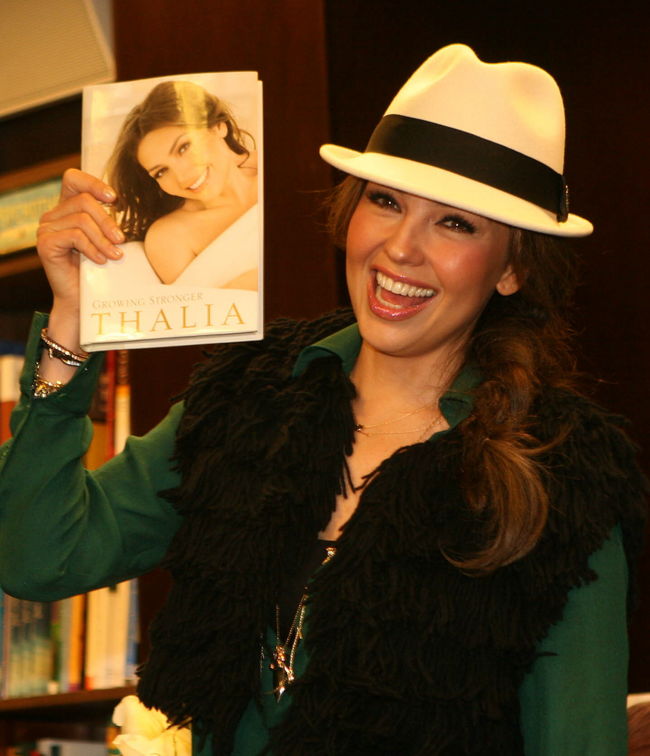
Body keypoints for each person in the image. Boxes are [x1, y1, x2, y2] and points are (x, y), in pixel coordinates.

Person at [0, 43, 646, 755]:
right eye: (386, 202)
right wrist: (70, 327)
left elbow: (577, 740)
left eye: (455, 223)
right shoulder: (249, 398)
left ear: (513, 268)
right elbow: (39, 556)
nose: (401, 248)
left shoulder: (563, 472)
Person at [107, 79, 258, 287]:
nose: (182, 177)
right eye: (161, 172)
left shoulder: (277, 164)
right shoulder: (170, 237)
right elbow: (199, 307)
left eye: (184, 147)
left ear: (218, 126)